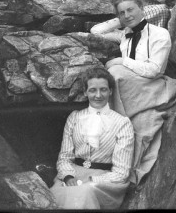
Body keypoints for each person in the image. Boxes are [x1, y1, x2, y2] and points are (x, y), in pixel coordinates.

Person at [105, 0, 176, 184]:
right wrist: (119, 23)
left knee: (115, 71)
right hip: (133, 85)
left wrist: (123, 61)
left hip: (152, 84)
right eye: (121, 13)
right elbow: (98, 31)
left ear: (142, 9)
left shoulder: (159, 34)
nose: (127, 15)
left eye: (131, 9)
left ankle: (122, 122)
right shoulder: (125, 36)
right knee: (111, 74)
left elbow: (154, 70)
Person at [50, 67, 134, 210]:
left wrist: (92, 180)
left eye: (103, 89)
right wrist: (68, 177)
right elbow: (65, 157)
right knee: (54, 197)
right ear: (85, 92)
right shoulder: (75, 117)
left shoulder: (122, 123)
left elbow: (122, 172)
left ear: (111, 91)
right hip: (74, 174)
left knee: (85, 192)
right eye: (92, 90)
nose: (98, 95)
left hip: (104, 182)